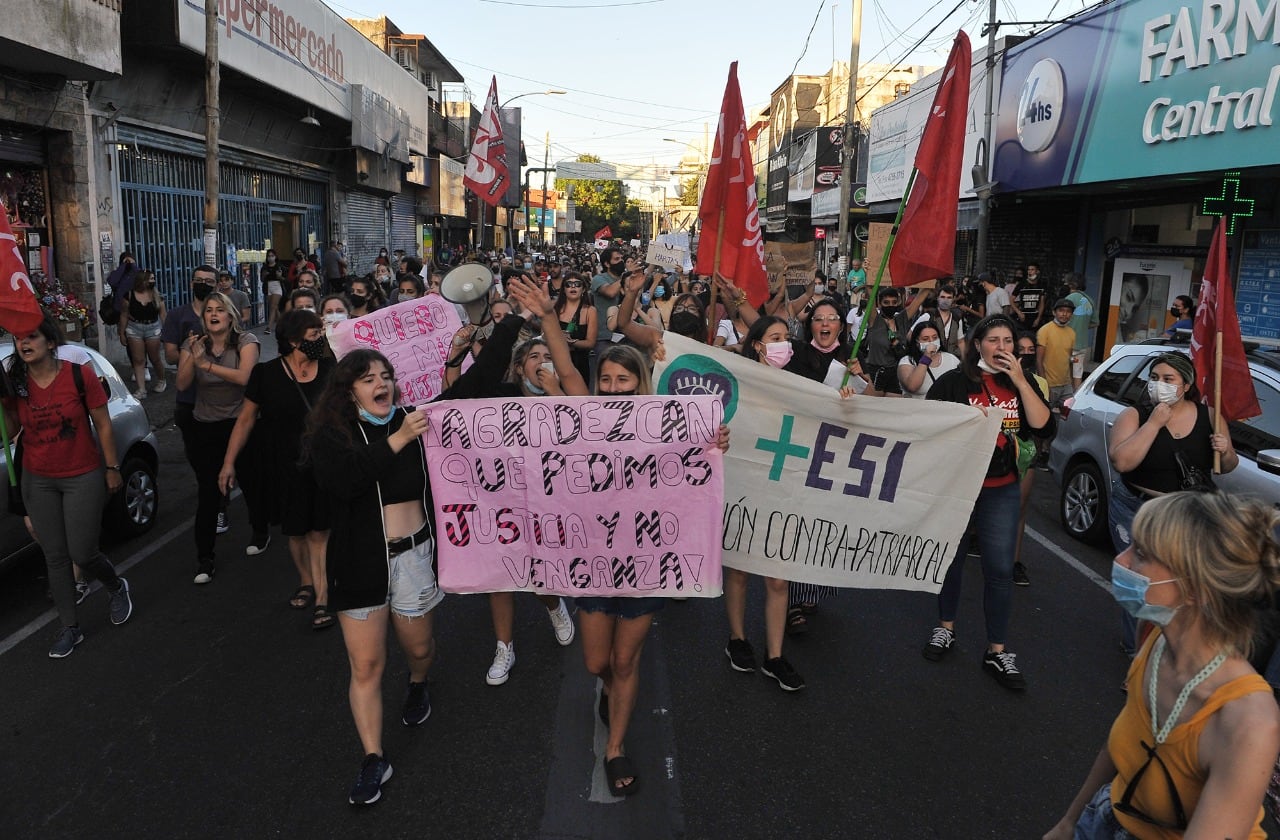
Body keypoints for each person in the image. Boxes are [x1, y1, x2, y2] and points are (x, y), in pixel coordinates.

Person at [1043, 492, 1280, 840]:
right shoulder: (1155, 638)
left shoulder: (1247, 721)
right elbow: (1126, 735)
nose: (1121, 561)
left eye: (1141, 554)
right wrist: (1068, 822)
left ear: (1196, 588)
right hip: (1106, 817)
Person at [574, 342, 728, 795]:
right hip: (596, 561)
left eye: (623, 379)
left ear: (640, 382)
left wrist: (714, 444)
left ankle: (615, 747)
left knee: (625, 660)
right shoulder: (586, 422)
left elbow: (694, 468)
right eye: (605, 379)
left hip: (647, 561)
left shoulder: (666, 425)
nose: (613, 388)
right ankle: (613, 690)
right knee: (596, 661)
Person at [302, 350, 439, 806]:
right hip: (359, 562)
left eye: (386, 376)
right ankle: (373, 757)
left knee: (418, 648)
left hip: (413, 557)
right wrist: (396, 440)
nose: (382, 384)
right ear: (348, 391)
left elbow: (467, 401)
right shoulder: (331, 435)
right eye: (368, 379)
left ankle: (418, 681)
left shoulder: (414, 421)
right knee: (366, 666)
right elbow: (345, 481)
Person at [922, 314, 1055, 690]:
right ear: (976, 344)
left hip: (1002, 488)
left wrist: (1019, 381)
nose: (1002, 348)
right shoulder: (954, 382)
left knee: (999, 569)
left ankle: (997, 650)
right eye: (993, 340)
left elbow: (1045, 427)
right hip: (958, 487)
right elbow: (926, 425)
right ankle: (945, 627)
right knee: (952, 558)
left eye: (1008, 341)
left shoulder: (1022, 382)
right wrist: (964, 419)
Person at [3, 315, 133, 657]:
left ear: (50, 342)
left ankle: (116, 585)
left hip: (82, 475)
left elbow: (103, 424)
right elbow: (12, 429)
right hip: (38, 478)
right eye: (19, 340)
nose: (25, 344)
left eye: (32, 337)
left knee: (82, 552)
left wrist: (111, 467)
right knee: (55, 556)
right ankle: (69, 627)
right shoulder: (16, 385)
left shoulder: (79, 375)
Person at [1107, 352, 1237, 655]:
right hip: (1138, 510)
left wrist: (1227, 450)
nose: (1159, 385)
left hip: (1186, 516)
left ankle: (1172, 652)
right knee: (1139, 584)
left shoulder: (1210, 416)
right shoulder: (1135, 415)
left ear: (1186, 384)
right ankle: (1136, 653)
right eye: (1154, 378)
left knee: (1180, 586)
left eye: (1168, 379)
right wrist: (1153, 424)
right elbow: (1123, 461)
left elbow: (1225, 466)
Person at [220, 309, 334, 625]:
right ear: (294, 340)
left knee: (319, 530)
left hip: (323, 463)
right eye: (314, 335)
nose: (319, 340)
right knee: (295, 530)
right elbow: (245, 420)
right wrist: (228, 463)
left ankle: (324, 597)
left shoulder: (330, 368)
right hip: (284, 464)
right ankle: (306, 582)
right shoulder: (266, 375)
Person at [176, 292, 261, 584]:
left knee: (249, 480)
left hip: (241, 421)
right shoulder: (196, 345)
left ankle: (260, 529)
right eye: (209, 310)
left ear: (230, 316)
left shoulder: (246, 341)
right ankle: (205, 558)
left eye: (220, 310)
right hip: (206, 424)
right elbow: (182, 384)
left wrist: (207, 366)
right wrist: (192, 356)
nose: (213, 314)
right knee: (209, 491)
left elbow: (244, 378)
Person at [162, 265, 217, 467]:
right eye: (199, 280)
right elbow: (170, 356)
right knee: (197, 457)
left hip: (221, 395)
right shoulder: (177, 316)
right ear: (191, 284)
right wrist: (194, 357)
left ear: (216, 286)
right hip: (190, 398)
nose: (203, 285)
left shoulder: (226, 316)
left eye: (209, 281)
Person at [117, 270, 167, 400]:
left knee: (154, 358)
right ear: (142, 280)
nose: (153, 281)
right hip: (134, 328)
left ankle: (162, 380)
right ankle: (141, 389)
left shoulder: (157, 296)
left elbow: (163, 315)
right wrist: (121, 333)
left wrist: (167, 332)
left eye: (153, 278)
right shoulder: (129, 296)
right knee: (138, 360)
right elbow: (124, 315)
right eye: (150, 278)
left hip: (153, 328)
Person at [554, 270, 597, 385]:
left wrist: (571, 342)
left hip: (580, 362)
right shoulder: (555, 308)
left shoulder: (590, 311)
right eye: (568, 284)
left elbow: (590, 343)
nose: (573, 287)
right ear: (563, 289)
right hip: (556, 361)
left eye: (577, 284)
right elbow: (544, 335)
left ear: (583, 289)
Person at [898, 320, 960, 398]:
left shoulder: (951, 359)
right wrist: (926, 357)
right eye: (925, 339)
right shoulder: (907, 361)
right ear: (917, 342)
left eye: (934, 337)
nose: (931, 341)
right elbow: (912, 386)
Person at [590, 247, 627, 378]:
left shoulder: (626, 278)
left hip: (626, 335)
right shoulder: (598, 279)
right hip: (604, 337)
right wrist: (625, 278)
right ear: (607, 263)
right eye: (617, 259)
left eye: (622, 258)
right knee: (606, 374)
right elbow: (610, 292)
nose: (621, 261)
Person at [1036, 298, 1078, 411]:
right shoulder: (1044, 331)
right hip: (1050, 384)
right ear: (1054, 312)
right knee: (1045, 416)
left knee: (1069, 416)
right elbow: (1038, 360)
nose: (1065, 314)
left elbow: (1071, 359)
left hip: (1066, 385)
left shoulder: (1072, 333)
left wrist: (1073, 383)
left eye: (1068, 311)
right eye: (1061, 310)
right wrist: (1044, 385)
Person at [1064, 272, 1098, 389]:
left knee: (1065, 371)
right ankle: (1076, 399)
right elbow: (1095, 323)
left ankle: (1063, 399)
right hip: (1081, 346)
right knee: (1077, 373)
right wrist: (1082, 326)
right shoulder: (1090, 300)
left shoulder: (1069, 299)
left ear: (1071, 284)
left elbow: (1061, 320)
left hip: (1067, 345)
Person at [1013, 262, 1047, 330]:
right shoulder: (1022, 284)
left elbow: (1041, 304)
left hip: (1035, 319)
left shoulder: (1041, 285)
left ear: (1037, 271)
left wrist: (1038, 318)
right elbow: (1011, 299)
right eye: (1028, 270)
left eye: (1032, 269)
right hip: (1022, 319)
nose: (1030, 272)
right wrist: (1018, 312)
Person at [260, 249, 286, 333]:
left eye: (272, 256)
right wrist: (264, 275)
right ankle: (282, 325)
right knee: (274, 307)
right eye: (269, 256)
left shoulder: (279, 266)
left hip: (277, 286)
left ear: (275, 257)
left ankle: (269, 327)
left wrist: (280, 276)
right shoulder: (265, 267)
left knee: (273, 307)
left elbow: (284, 279)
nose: (270, 258)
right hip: (268, 286)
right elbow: (262, 279)